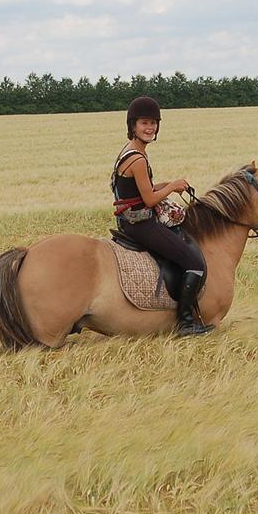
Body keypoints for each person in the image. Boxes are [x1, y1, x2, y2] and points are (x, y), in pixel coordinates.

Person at [111, 96, 213, 336]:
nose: (150, 128)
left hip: (129, 219)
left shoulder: (129, 152)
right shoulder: (137, 159)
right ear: (133, 126)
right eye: (144, 123)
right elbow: (149, 199)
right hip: (140, 224)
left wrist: (166, 185)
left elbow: (141, 189)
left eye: (154, 123)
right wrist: (173, 185)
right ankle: (185, 323)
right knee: (194, 264)